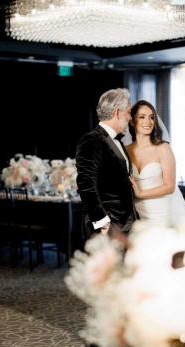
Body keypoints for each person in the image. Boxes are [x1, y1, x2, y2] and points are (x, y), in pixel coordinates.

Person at [76, 88, 137, 245]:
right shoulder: (92, 140)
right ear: (117, 112)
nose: (130, 117)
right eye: (128, 112)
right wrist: (102, 222)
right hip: (107, 225)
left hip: (123, 223)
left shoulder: (117, 141)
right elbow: (86, 184)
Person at [126, 100, 185, 224]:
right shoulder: (125, 150)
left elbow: (169, 186)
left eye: (151, 117)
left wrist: (141, 193)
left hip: (160, 212)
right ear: (132, 121)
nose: (148, 122)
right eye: (142, 117)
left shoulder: (163, 148)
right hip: (136, 213)